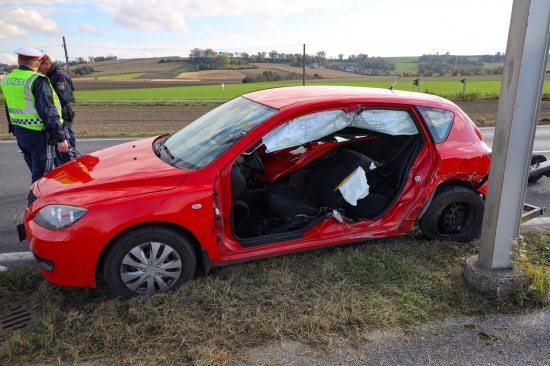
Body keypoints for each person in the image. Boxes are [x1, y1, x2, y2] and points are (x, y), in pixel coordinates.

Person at [1, 48, 69, 184]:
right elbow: (48, 111)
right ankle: (36, 203)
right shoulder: (37, 80)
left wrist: (13, 127)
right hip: (39, 135)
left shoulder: (8, 79)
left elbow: (8, 106)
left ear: (19, 61)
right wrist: (60, 137)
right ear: (37, 63)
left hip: (20, 132)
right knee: (44, 178)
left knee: (35, 170)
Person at [38, 52, 78, 164]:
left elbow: (62, 98)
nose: (37, 69)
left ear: (46, 64)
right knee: (58, 153)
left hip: (62, 115)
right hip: (55, 116)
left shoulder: (59, 75)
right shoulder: (48, 75)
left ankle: (75, 176)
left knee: (67, 151)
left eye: (39, 66)